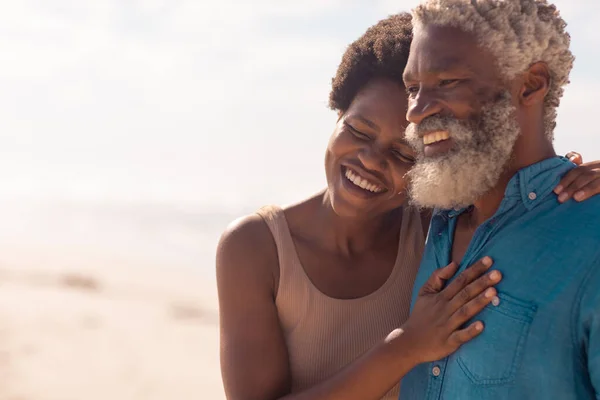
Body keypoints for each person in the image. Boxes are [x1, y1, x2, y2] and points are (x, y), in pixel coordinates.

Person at [217, 12, 600, 400]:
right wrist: (406, 345)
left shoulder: (434, 221)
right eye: (357, 130)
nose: (415, 112)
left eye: (402, 151)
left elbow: (515, 171)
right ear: (337, 114)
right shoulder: (437, 225)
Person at [399, 1, 600, 399]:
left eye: (448, 81)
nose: (416, 112)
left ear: (530, 84)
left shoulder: (591, 238)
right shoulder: (433, 223)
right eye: (412, 89)